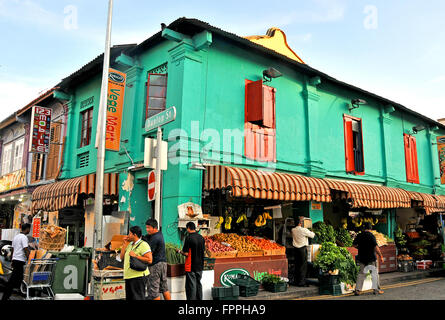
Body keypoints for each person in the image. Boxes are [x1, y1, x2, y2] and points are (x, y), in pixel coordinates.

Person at [120, 226, 152, 300]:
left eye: (130, 233)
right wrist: (124, 244)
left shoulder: (143, 244)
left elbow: (150, 260)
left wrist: (136, 256)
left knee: (138, 298)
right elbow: (122, 257)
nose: (128, 235)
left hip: (138, 277)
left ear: (134, 235)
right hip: (129, 276)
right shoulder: (130, 244)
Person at [353, 222, 384, 295]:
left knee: (361, 274)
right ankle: (376, 290)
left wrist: (359, 247)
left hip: (361, 257)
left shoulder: (359, 235)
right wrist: (381, 256)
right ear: (370, 228)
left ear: (364, 228)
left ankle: (358, 290)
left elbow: (354, 245)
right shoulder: (371, 236)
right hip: (371, 258)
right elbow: (376, 247)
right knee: (374, 274)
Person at [143, 218, 171, 300]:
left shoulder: (155, 238)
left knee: (153, 290)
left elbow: (149, 254)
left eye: (148, 228)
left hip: (155, 265)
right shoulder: (159, 234)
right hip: (163, 264)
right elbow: (147, 237)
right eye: (146, 227)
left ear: (154, 228)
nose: (147, 229)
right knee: (164, 287)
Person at [176, 222, 205, 300]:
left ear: (188, 228)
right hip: (200, 266)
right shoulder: (201, 237)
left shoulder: (189, 238)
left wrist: (179, 251)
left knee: (191, 286)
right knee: (198, 284)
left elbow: (186, 253)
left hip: (191, 266)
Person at [2, 223, 31, 300]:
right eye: (29, 229)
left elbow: (13, 249)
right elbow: (25, 249)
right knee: (13, 280)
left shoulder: (16, 237)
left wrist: (12, 260)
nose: (29, 230)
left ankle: (16, 293)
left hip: (15, 260)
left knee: (19, 278)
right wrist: (30, 258)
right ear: (27, 229)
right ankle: (5, 297)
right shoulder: (24, 237)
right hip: (20, 260)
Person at [291, 216, 315, 287]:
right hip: (302, 249)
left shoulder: (293, 230)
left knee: (297, 265)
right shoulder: (304, 230)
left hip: (295, 249)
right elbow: (312, 235)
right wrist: (311, 231)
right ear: (300, 223)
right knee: (303, 266)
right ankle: (301, 282)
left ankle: (296, 281)